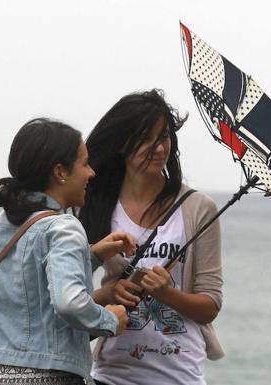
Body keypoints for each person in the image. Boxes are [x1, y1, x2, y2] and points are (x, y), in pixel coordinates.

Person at [79, 90, 224, 385]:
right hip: (111, 374)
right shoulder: (94, 204)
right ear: (122, 144)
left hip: (179, 375)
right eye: (146, 138)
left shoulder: (198, 208)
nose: (159, 148)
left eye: (164, 137)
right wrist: (108, 294)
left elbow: (211, 304)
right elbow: (69, 296)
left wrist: (166, 293)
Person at [0, 118, 134, 385]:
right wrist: (109, 319)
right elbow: (69, 303)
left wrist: (92, 256)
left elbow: (28, 286)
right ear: (60, 172)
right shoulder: (65, 227)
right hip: (49, 376)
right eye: (85, 164)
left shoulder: (2, 223)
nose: (91, 173)